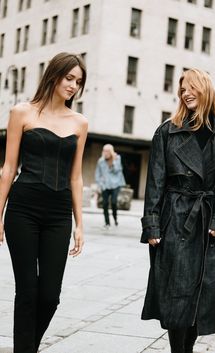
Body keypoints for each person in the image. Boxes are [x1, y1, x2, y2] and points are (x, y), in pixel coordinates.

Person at [140, 68, 215, 353]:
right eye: (182, 89)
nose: (186, 93)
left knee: (201, 294)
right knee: (176, 294)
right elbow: (155, 181)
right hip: (175, 219)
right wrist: (152, 226)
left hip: (207, 223)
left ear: (205, 89)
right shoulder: (167, 132)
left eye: (191, 87)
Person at [0, 52, 88, 353]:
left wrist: (79, 224)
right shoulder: (21, 113)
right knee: (27, 291)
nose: (74, 86)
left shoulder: (80, 122)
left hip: (59, 213)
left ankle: (27, 347)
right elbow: (8, 168)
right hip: (23, 208)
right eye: (69, 78)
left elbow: (76, 176)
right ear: (54, 75)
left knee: (50, 294)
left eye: (78, 82)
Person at [95, 144, 125, 229]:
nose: (105, 152)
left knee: (114, 202)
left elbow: (118, 170)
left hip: (116, 184)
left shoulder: (117, 158)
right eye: (104, 150)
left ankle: (115, 218)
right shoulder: (100, 161)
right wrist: (99, 184)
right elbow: (97, 173)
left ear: (111, 151)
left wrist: (113, 161)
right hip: (105, 185)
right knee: (104, 204)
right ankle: (107, 223)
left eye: (107, 151)